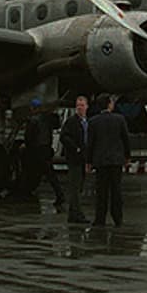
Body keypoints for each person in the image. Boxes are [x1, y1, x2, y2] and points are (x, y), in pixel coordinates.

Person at [86, 94, 131, 227]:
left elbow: (90, 143)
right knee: (116, 191)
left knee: (101, 192)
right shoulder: (120, 119)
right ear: (109, 104)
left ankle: (100, 219)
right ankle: (118, 218)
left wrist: (88, 161)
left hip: (100, 161)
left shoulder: (93, 121)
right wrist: (127, 157)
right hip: (116, 160)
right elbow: (125, 139)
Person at [24, 98, 65, 207]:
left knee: (35, 171)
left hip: (37, 149)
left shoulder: (33, 120)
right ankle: (59, 194)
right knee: (49, 173)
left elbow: (29, 136)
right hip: (47, 148)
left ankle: (60, 195)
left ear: (33, 108)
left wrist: (27, 147)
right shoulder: (47, 119)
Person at [60, 95, 90, 223]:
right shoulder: (71, 121)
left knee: (79, 186)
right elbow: (64, 136)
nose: (80, 108)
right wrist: (75, 148)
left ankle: (73, 214)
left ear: (87, 107)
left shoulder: (86, 122)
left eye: (82, 105)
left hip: (83, 158)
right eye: (78, 106)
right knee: (75, 187)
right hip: (75, 159)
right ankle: (77, 214)